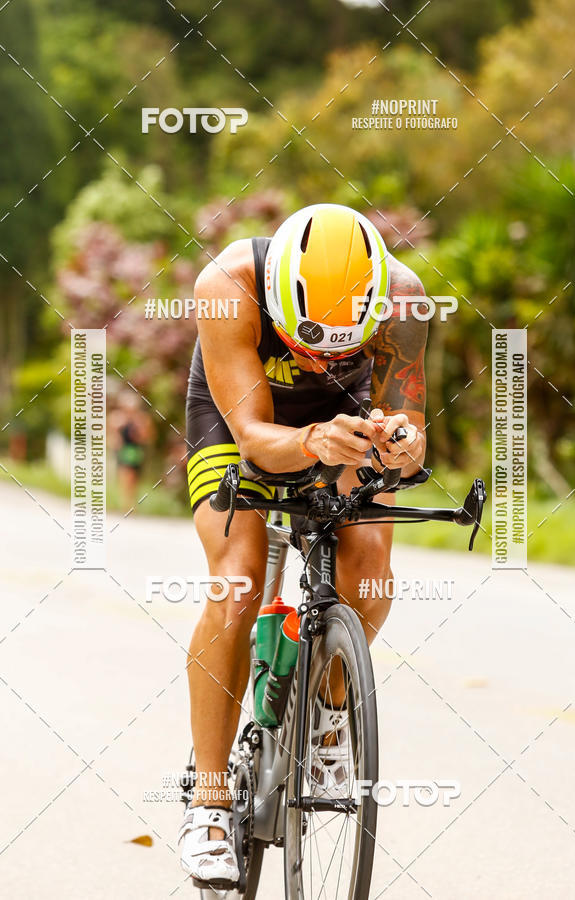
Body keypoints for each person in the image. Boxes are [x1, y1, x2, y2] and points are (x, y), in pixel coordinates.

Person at [179, 203, 428, 885]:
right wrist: (312, 440)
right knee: (237, 579)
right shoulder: (227, 285)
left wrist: (401, 441)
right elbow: (257, 436)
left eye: (339, 346)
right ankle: (208, 799)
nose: (319, 356)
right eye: (308, 338)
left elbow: (414, 429)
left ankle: (327, 714)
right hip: (241, 422)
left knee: (371, 560)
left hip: (342, 420)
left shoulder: (403, 298)